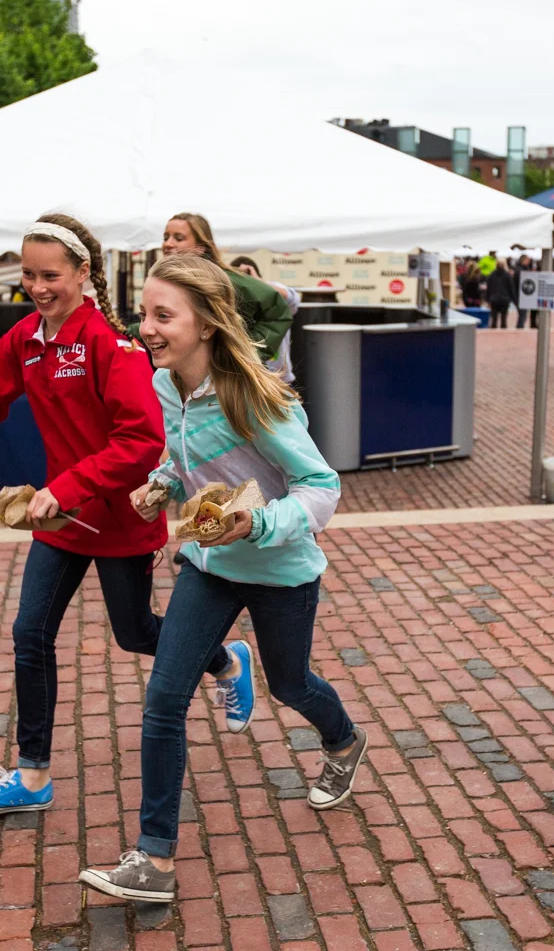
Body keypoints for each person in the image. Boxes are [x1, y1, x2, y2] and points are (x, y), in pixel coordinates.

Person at [0, 216, 255, 816]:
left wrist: (71, 485)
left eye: (50, 275)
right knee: (29, 634)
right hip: (61, 522)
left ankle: (225, 658)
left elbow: (140, 440)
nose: (37, 287)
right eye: (28, 274)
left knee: (135, 633)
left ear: (84, 274)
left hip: (118, 519)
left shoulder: (112, 345)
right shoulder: (28, 338)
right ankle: (32, 777)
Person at [79, 253, 364, 903]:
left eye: (163, 315)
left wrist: (260, 526)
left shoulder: (252, 396)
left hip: (281, 568)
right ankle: (153, 861)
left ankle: (343, 741)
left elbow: (321, 487)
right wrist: (162, 484)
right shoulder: (163, 387)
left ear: (206, 323)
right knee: (164, 698)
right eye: (144, 312)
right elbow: (187, 463)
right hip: (209, 567)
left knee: (290, 684)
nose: (146, 327)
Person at [162, 213, 294, 358]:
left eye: (179, 238)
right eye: (166, 237)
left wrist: (247, 353)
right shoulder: (166, 284)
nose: (168, 243)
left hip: (227, 377)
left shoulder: (226, 280)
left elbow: (278, 312)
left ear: (200, 247)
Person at [231, 254, 302, 383]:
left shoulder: (272, 296)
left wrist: (257, 283)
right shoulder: (230, 300)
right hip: (247, 380)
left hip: (280, 382)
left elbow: (294, 300)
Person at [486, 258, 515, 328]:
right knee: (503, 319)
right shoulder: (507, 275)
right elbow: (511, 288)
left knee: (494, 320)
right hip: (504, 300)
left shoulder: (491, 275)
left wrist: (488, 299)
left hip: (494, 299)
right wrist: (513, 299)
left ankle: (492, 335)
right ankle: (504, 335)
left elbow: (488, 288)